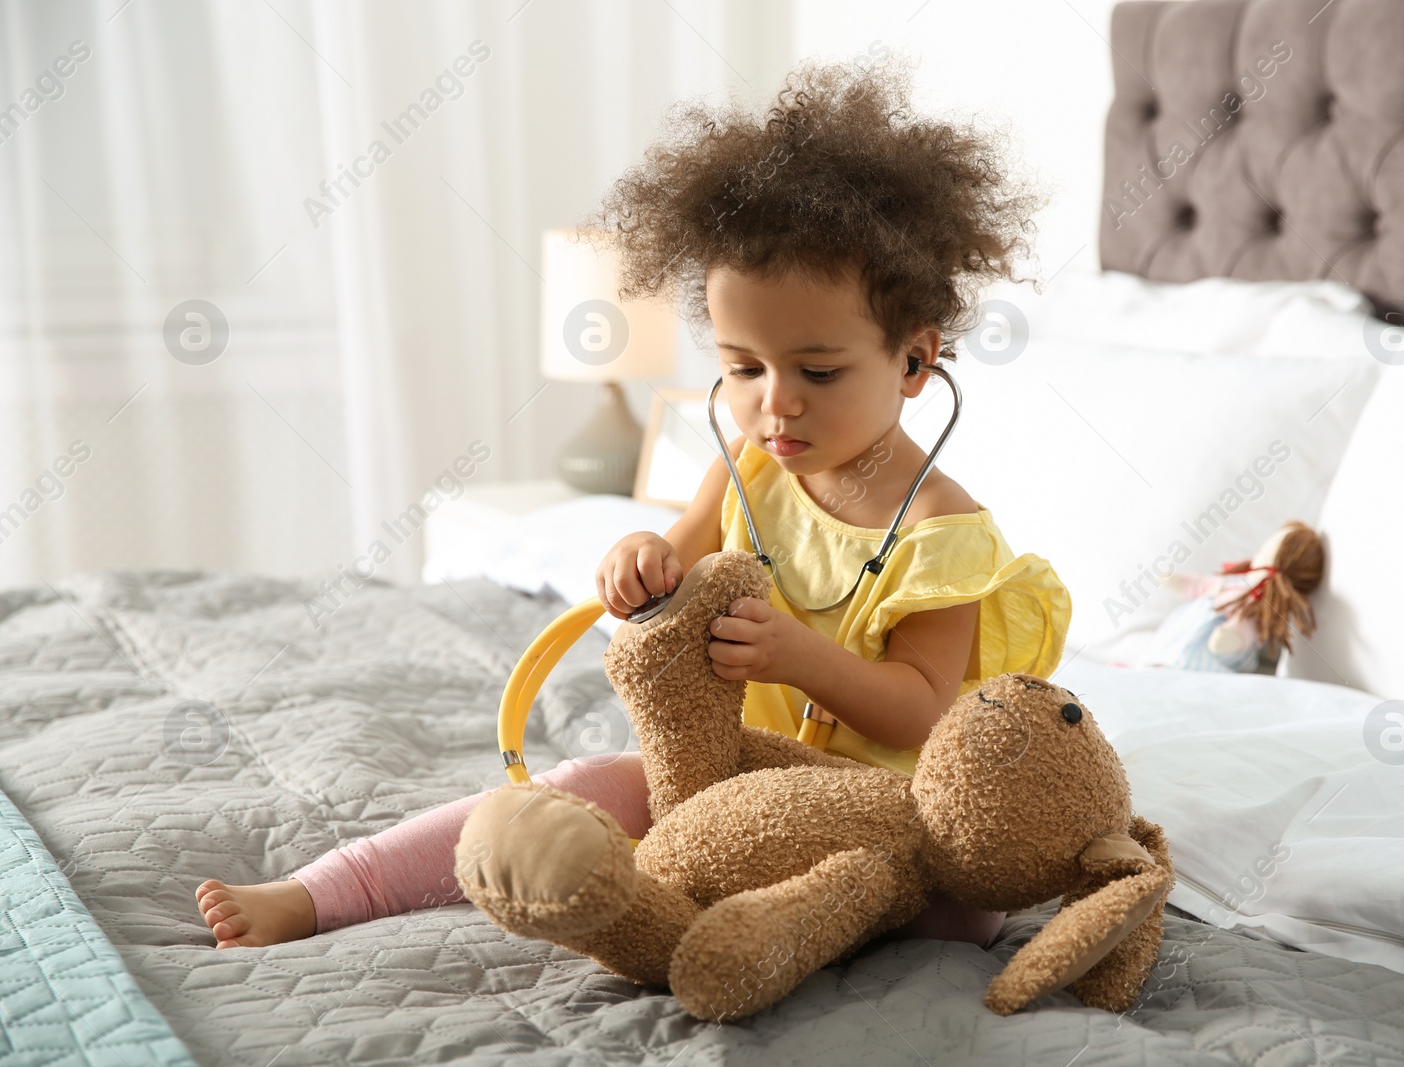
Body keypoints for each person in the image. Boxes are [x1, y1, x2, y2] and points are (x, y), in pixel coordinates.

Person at [195, 56, 1071, 953]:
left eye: (818, 370)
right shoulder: (753, 470)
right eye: (742, 367)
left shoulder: (941, 533)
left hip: (869, 806)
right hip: (730, 778)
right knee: (586, 785)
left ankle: (713, 910)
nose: (776, 403)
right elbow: (676, 562)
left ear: (916, 362)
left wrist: (798, 655)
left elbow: (921, 711)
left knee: (963, 913)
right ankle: (326, 891)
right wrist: (640, 560)